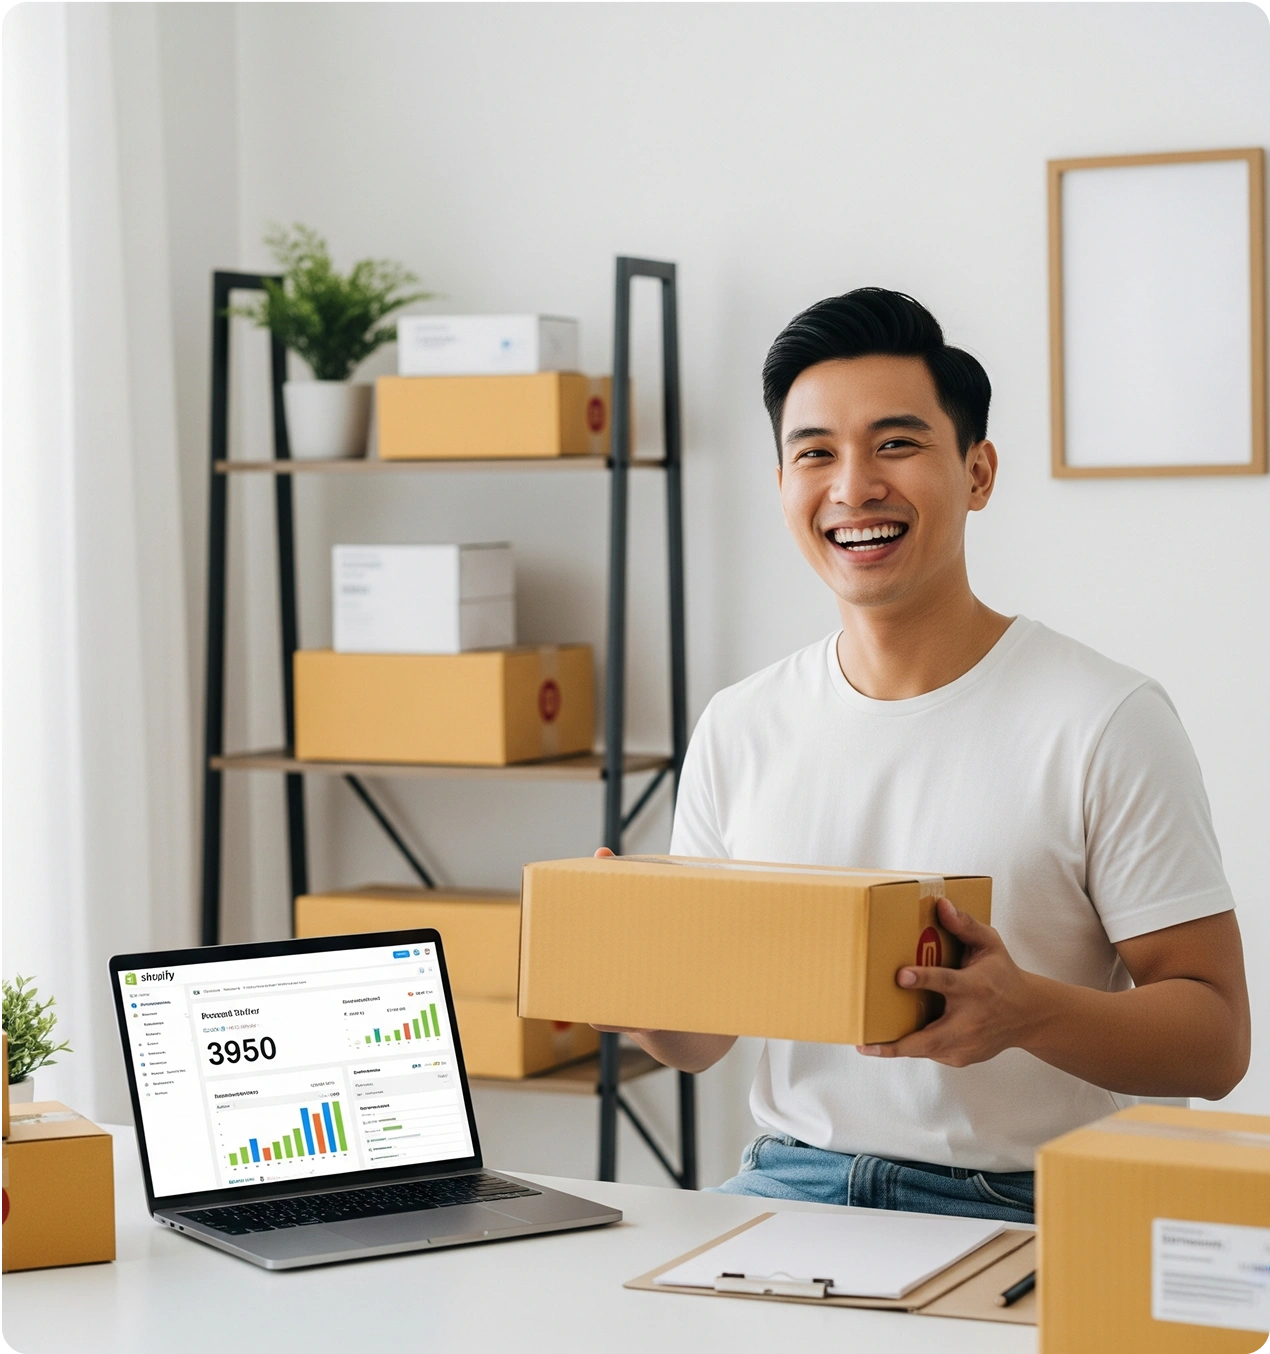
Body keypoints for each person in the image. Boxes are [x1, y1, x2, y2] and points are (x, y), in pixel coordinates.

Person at [597, 287, 1250, 1223]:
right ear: (782, 483)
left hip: (1038, 1198)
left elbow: (1217, 1041)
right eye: (814, 452)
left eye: (896, 444)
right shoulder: (741, 723)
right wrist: (636, 986)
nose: (853, 486)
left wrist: (1025, 1011)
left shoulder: (1104, 718)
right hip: (796, 1181)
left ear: (979, 472)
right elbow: (700, 1040)